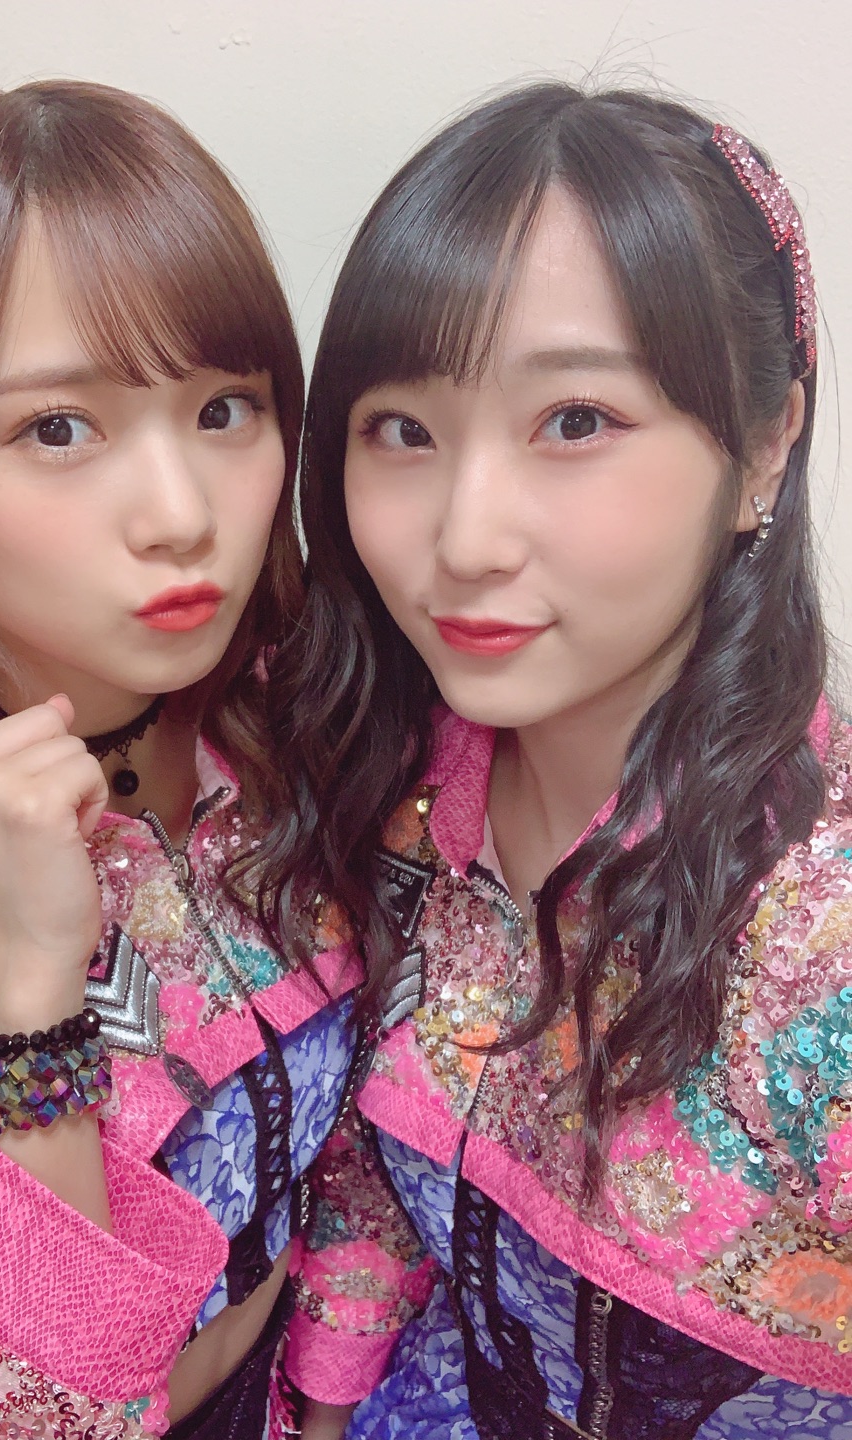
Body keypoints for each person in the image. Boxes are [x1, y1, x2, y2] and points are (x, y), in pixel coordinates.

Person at [0, 80, 359, 1438]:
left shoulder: (291, 716)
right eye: (58, 428)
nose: (181, 514)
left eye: (226, 409)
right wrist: (28, 982)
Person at [268, 84, 852, 1437]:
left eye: (575, 420)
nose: (466, 539)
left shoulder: (818, 940)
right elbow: (369, 1179)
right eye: (404, 431)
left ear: (766, 444)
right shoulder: (402, 790)